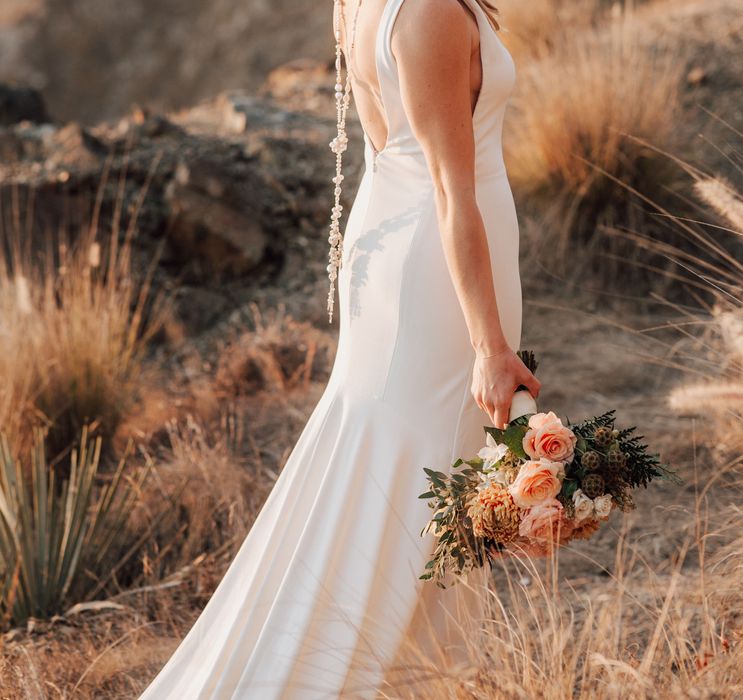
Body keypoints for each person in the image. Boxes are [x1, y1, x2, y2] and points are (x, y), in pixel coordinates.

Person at [139, 0, 540, 697]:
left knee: (406, 467)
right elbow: (450, 186)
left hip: (403, 244)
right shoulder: (431, 13)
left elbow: (392, 147)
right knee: (422, 478)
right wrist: (489, 343)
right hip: (439, 270)